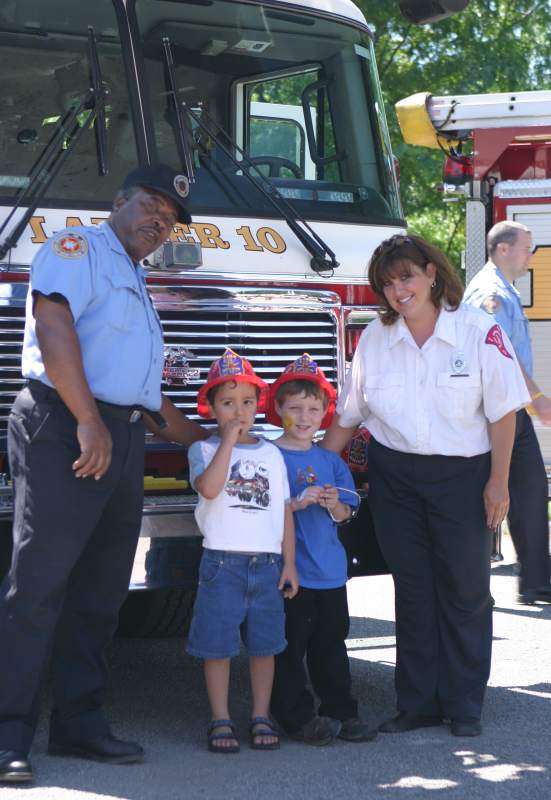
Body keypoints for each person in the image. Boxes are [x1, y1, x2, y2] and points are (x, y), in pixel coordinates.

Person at [0, 164, 207, 784]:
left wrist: (219, 439)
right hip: (67, 425)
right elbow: (53, 324)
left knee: (101, 588)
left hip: (119, 432)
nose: (158, 223)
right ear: (118, 201)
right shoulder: (77, 247)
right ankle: (10, 734)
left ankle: (79, 724)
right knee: (38, 585)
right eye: (150, 206)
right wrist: (88, 421)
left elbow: (142, 392)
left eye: (168, 220)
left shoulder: (135, 275)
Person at [322, 234, 530, 738]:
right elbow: (350, 415)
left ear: (432, 273)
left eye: (407, 276)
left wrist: (498, 483)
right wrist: (307, 466)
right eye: (388, 283)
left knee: (464, 591)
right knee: (412, 590)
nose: (399, 290)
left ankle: (463, 706)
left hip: (464, 478)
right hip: (396, 479)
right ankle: (415, 704)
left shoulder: (478, 330)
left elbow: (505, 414)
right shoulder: (376, 337)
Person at [186, 349, 298, 754]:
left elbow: (283, 509)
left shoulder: (271, 454)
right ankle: (220, 717)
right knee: (217, 646)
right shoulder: (203, 450)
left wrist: (289, 563)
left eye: (248, 402)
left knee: (265, 646)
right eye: (228, 403)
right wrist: (229, 442)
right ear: (212, 407)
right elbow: (211, 488)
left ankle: (260, 714)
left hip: (267, 565)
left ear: (259, 405)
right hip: (222, 564)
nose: (239, 411)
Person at [268, 354, 376, 746]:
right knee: (289, 647)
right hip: (290, 570)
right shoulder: (269, 456)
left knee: (331, 644)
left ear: (326, 413)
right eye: (295, 407)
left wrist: (333, 504)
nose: (305, 416)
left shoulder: (330, 460)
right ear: (277, 408)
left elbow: (347, 512)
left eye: (314, 409)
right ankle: (296, 717)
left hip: (329, 571)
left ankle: (341, 711)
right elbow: (262, 509)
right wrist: (296, 503)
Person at [463, 221, 551, 604]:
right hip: (493, 412)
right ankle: (471, 584)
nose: (531, 257)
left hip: (511, 408)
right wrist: (538, 398)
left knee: (532, 490)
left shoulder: (505, 291)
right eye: (526, 248)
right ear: (502, 249)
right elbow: (502, 357)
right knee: (489, 496)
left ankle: (536, 581)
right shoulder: (490, 293)